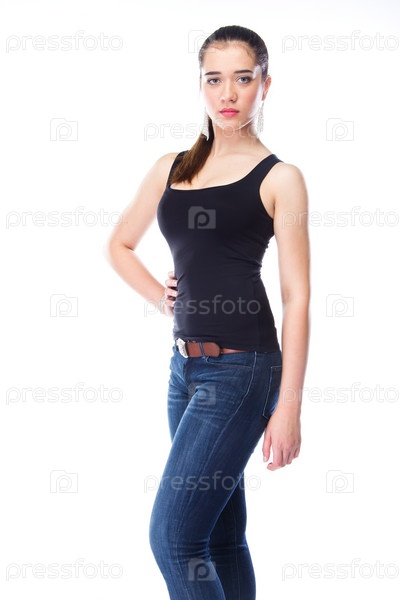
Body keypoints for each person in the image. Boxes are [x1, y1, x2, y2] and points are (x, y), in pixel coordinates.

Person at [107, 24, 310, 600]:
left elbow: (297, 296)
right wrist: (162, 298)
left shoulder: (281, 178)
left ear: (265, 85)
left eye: (243, 79)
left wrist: (289, 406)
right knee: (219, 537)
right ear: (200, 85)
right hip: (183, 370)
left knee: (173, 538)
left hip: (243, 371)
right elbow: (119, 245)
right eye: (214, 79)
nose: (228, 93)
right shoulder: (171, 167)